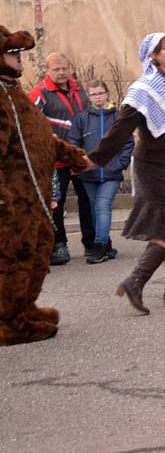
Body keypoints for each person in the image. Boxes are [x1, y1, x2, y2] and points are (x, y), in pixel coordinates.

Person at [86, 33, 165, 315]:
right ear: (152, 55)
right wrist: (97, 158)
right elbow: (122, 126)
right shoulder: (145, 88)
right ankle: (136, 281)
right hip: (155, 167)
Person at [0, 25, 87, 345]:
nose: (19, 59)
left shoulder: (14, 92)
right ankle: (10, 324)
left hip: (33, 195)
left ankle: (24, 307)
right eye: (11, 53)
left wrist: (74, 155)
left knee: (39, 250)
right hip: (13, 200)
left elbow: (41, 138)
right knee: (16, 258)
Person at [28, 52, 94, 265]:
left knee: (88, 199)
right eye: (56, 69)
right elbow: (29, 120)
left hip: (80, 155)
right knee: (57, 202)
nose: (61, 72)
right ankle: (59, 246)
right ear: (47, 71)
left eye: (64, 68)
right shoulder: (40, 92)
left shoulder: (79, 89)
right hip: (55, 158)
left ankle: (92, 243)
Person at [67, 80, 133, 264]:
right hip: (89, 173)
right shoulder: (82, 119)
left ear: (107, 94)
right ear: (88, 97)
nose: (97, 97)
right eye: (93, 94)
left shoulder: (118, 117)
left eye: (100, 93)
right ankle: (107, 245)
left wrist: (119, 163)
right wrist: (81, 163)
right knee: (95, 209)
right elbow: (74, 143)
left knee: (102, 206)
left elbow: (127, 143)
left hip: (111, 173)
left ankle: (100, 245)